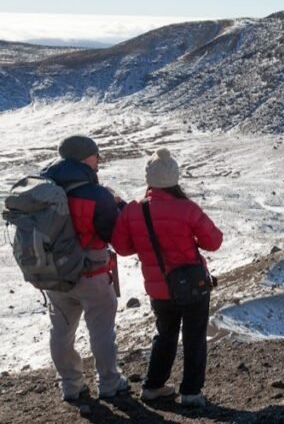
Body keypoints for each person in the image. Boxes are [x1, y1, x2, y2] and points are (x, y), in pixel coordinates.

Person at [111, 148, 222, 407]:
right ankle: (191, 393)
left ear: (150, 178)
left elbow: (123, 248)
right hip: (193, 286)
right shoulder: (187, 208)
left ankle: (154, 386)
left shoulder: (134, 211)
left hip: (158, 288)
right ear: (175, 178)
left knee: (165, 334)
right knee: (194, 336)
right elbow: (214, 242)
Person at [41, 135, 129, 401]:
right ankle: (110, 382)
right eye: (95, 154)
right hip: (91, 273)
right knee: (101, 329)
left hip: (54, 274)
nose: (98, 159)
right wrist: (120, 207)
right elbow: (114, 235)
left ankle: (70, 384)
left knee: (61, 331)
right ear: (83, 158)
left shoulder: (44, 190)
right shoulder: (96, 194)